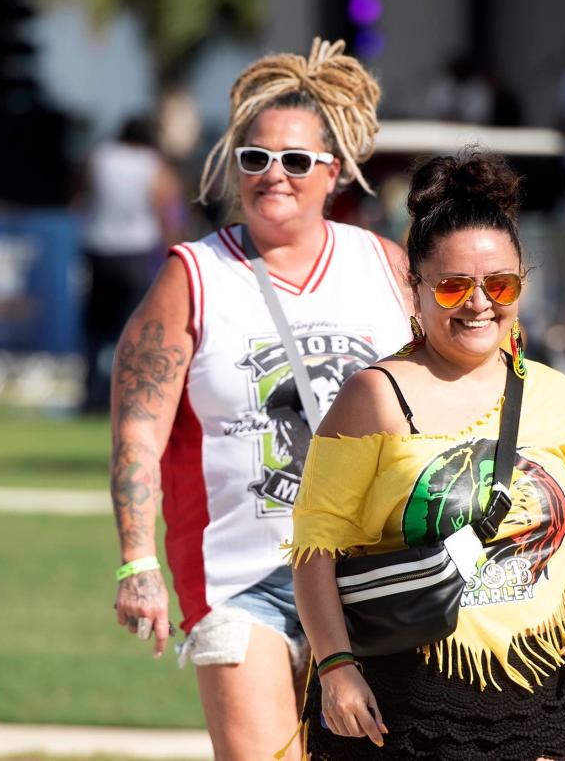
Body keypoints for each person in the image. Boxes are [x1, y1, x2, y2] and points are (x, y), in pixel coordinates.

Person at [109, 38, 412, 761]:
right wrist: (135, 560)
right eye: (255, 158)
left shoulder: (385, 267)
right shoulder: (195, 274)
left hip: (371, 569)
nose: (273, 174)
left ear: (332, 172)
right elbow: (137, 431)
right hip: (242, 576)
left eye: (296, 160)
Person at [291, 151, 565, 760]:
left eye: (500, 284)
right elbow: (316, 548)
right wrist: (336, 666)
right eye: (452, 286)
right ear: (413, 287)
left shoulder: (556, 396)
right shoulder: (374, 396)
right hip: (400, 704)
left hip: (539, 695)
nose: (478, 303)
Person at [80, 116, 184, 411]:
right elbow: (164, 203)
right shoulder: (152, 163)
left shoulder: (100, 156)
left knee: (96, 330)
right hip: (136, 251)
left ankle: (91, 395)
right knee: (135, 327)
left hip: (99, 248)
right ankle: (128, 394)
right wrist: (173, 246)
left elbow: (81, 191)